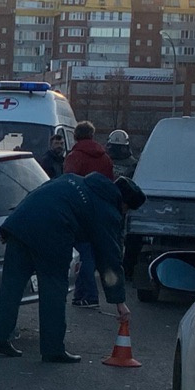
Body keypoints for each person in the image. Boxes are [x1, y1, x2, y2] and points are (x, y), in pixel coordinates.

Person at [0, 173, 146, 364]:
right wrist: (119, 300)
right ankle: (53, 349)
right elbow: (109, 258)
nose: (124, 213)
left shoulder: (72, 179)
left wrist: (8, 229)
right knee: (53, 291)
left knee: (11, 286)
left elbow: (35, 194)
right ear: (124, 203)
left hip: (20, 226)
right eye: (127, 209)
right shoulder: (106, 210)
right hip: (52, 236)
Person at [63, 121, 113, 308]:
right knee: (90, 251)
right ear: (92, 135)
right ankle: (81, 294)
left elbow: (68, 183)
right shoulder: (105, 158)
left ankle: (89, 295)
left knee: (82, 254)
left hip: (80, 211)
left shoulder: (75, 156)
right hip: (101, 211)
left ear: (76, 136)